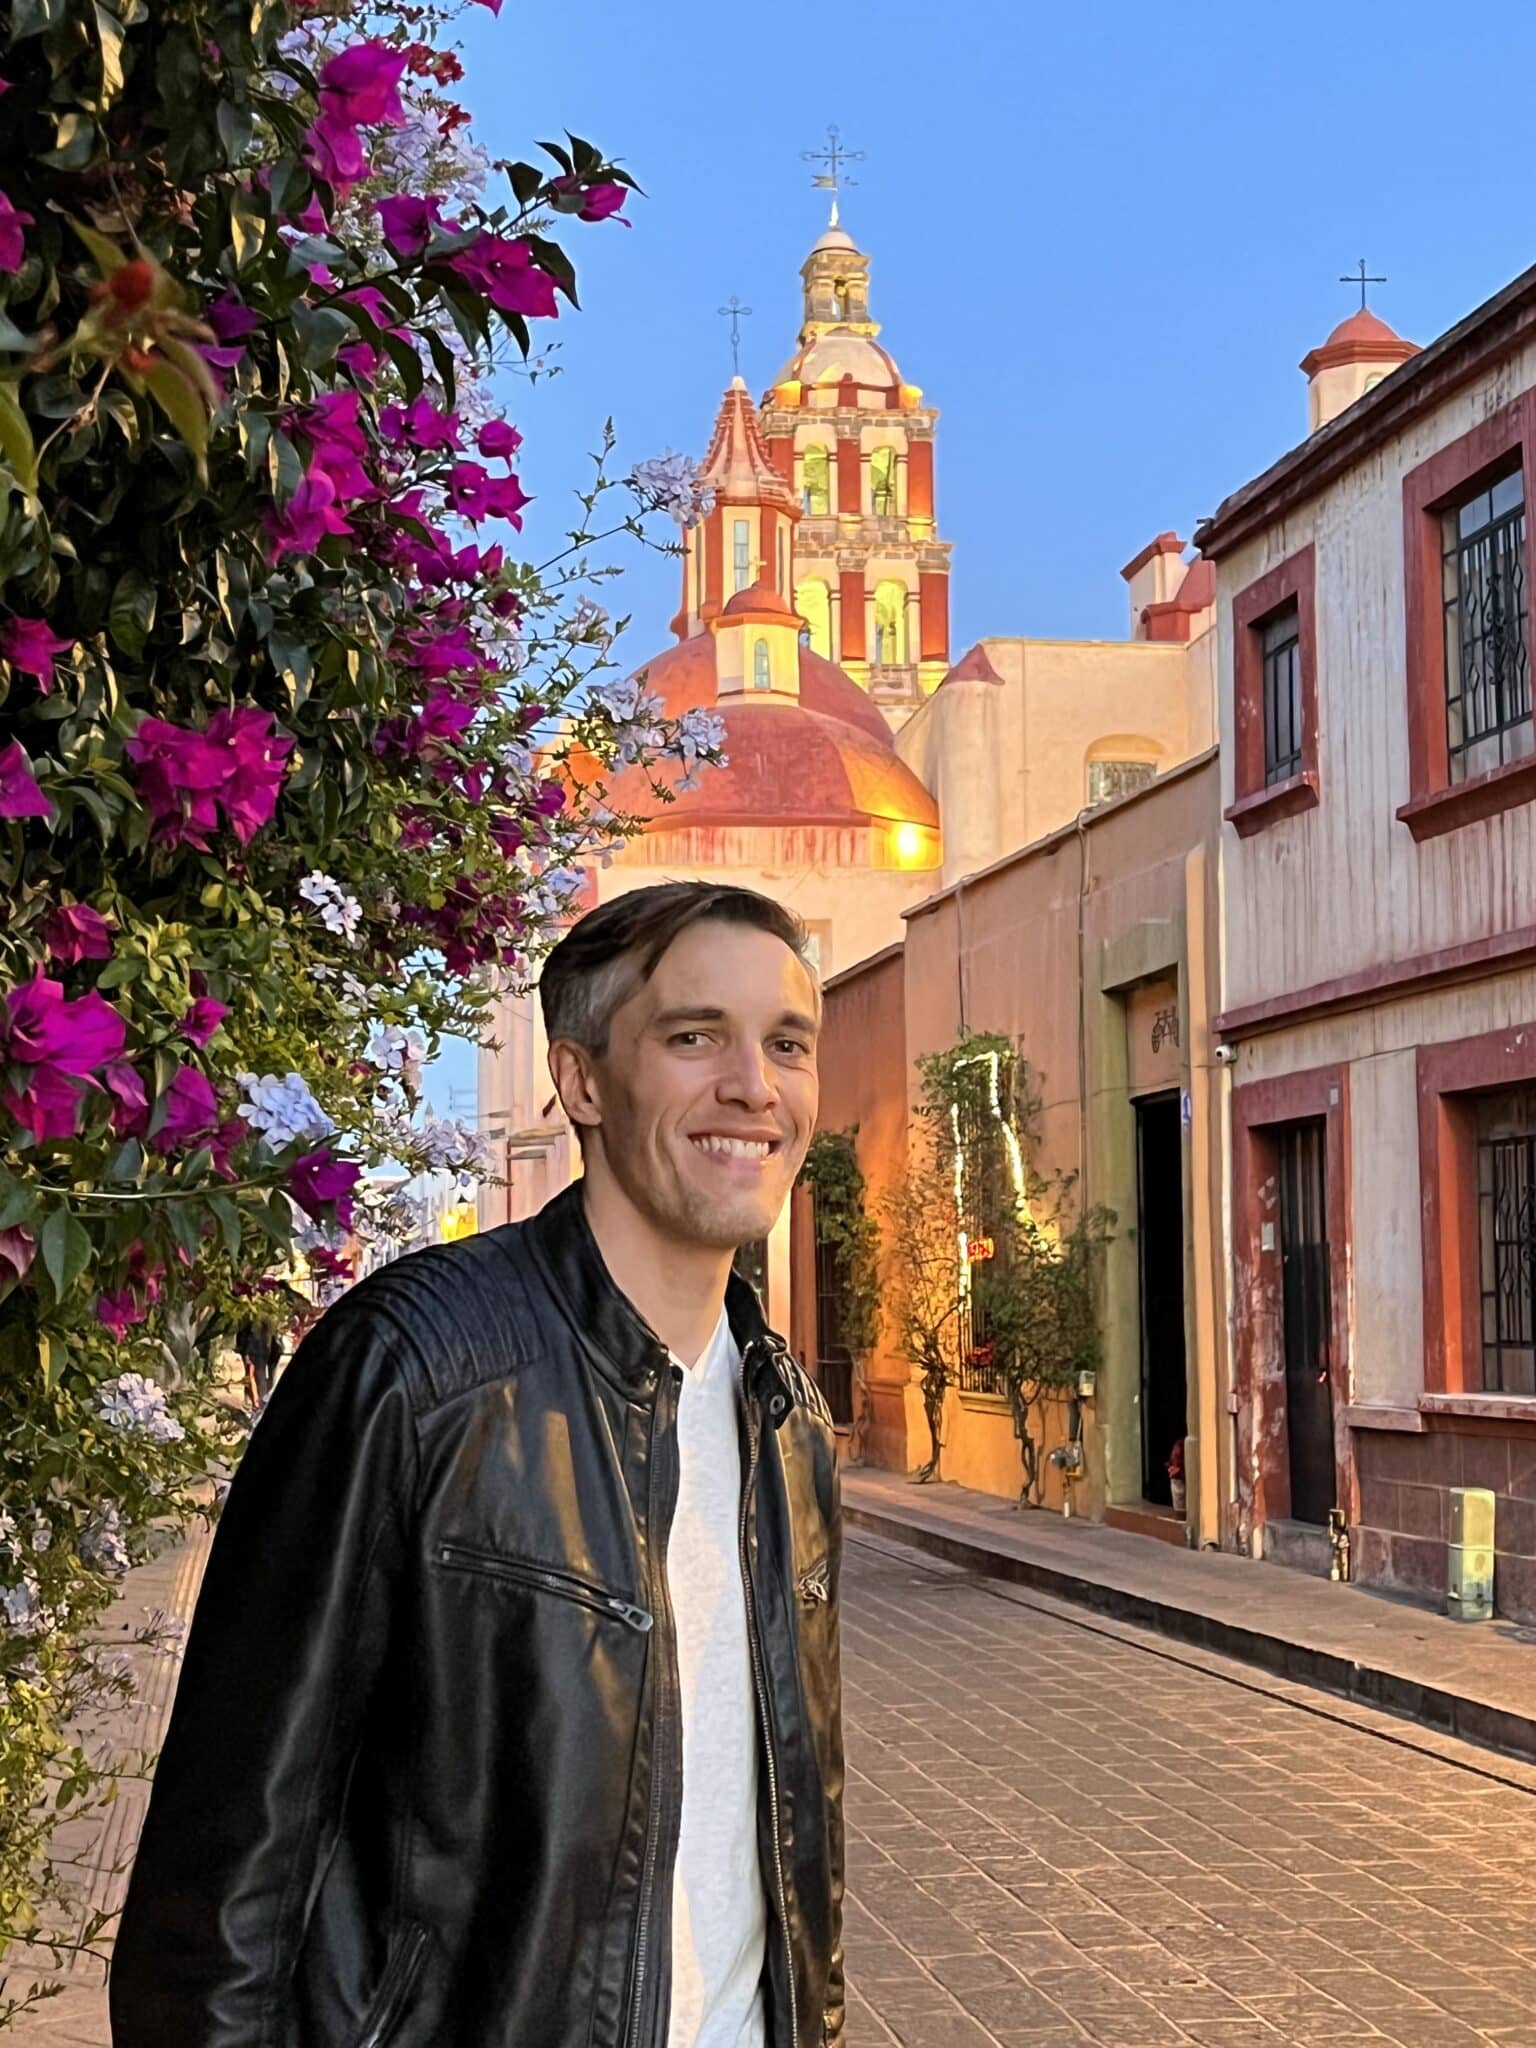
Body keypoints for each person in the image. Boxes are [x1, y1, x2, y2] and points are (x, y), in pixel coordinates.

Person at [109, 881, 845, 2048]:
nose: (755, 1085)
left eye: (788, 1042)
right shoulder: (411, 1370)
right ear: (585, 1079)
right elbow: (221, 1884)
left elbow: (794, 1856)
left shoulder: (786, 1418)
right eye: (694, 1033)